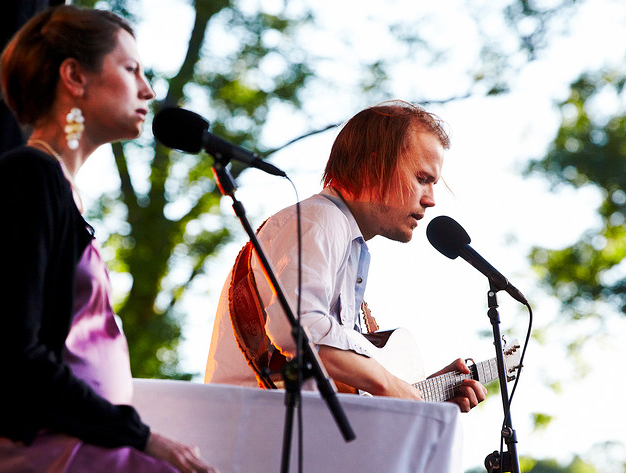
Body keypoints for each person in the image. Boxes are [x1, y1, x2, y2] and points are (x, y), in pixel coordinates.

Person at [0, 6, 217, 473]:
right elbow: (13, 355)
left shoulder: (51, 185)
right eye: (131, 68)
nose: (149, 89)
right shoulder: (27, 177)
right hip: (0, 444)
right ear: (74, 76)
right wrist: (141, 438)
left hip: (57, 439)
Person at [205, 100, 487, 412]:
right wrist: (389, 384)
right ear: (373, 166)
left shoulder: (339, 236)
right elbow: (296, 327)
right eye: (422, 178)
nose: (431, 199)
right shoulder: (319, 220)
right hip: (258, 443)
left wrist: (417, 395)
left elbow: (337, 381)